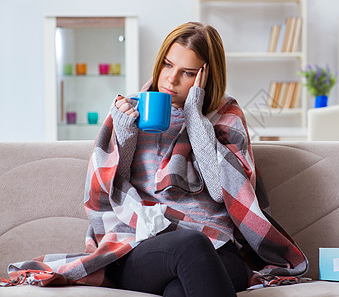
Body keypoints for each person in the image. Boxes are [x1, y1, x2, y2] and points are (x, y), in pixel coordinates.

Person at [5, 22, 308, 296]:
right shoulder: (131, 109)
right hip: (141, 245)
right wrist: (125, 132)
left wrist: (194, 115)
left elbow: (221, 190)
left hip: (219, 247)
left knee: (180, 290)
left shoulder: (224, 117)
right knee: (190, 245)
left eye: (187, 73)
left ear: (205, 77)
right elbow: (110, 189)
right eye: (167, 64)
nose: (171, 79)